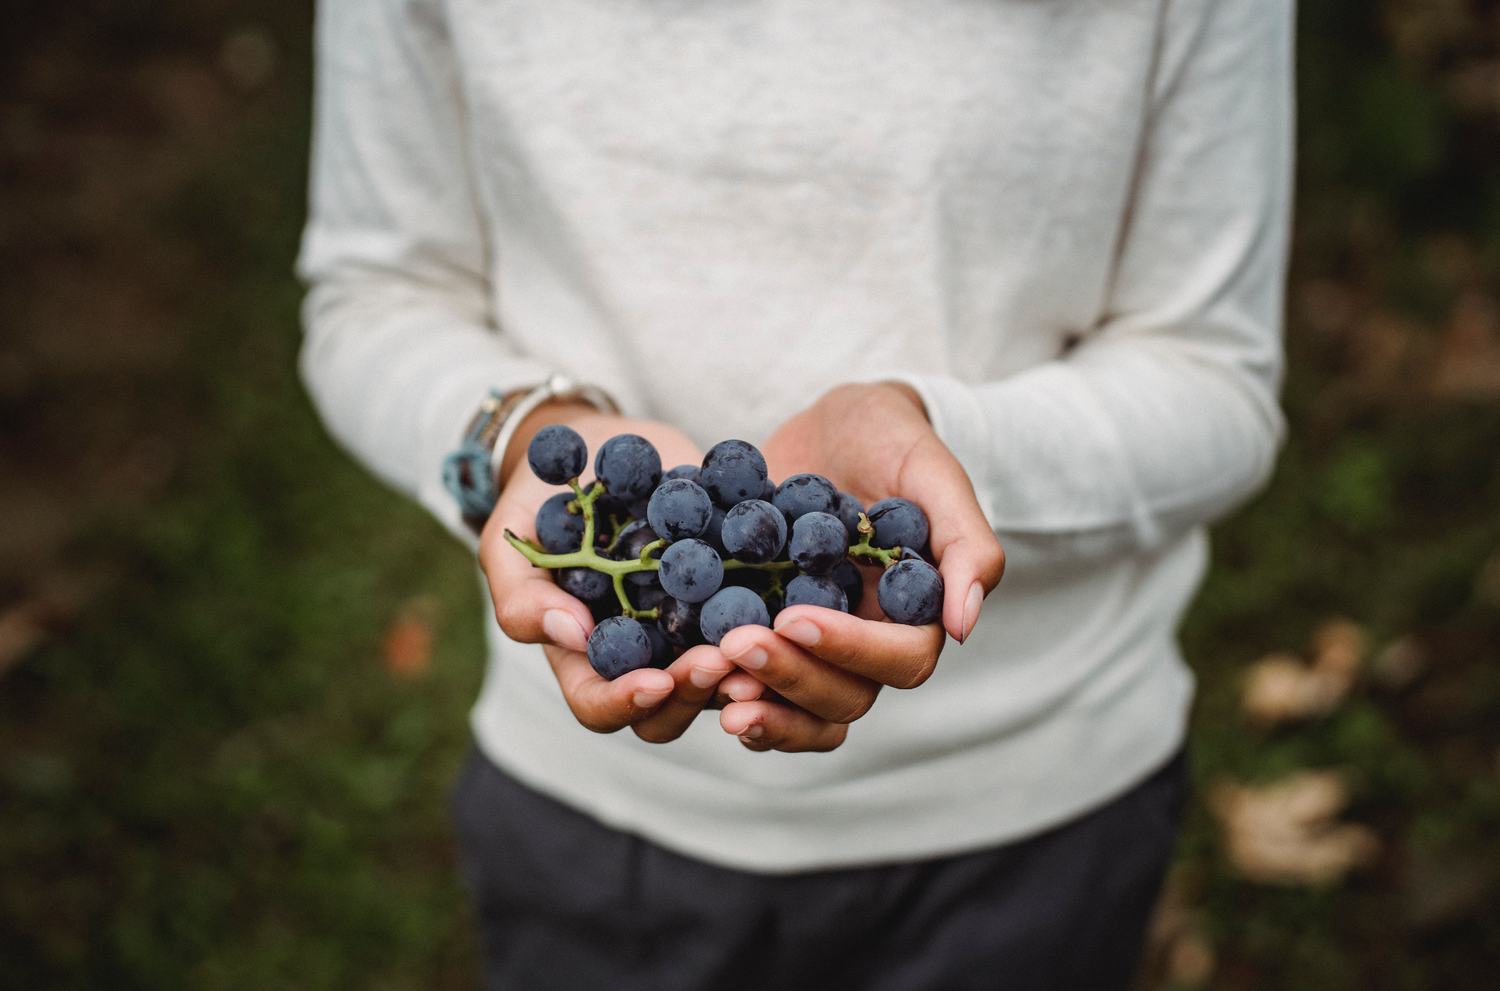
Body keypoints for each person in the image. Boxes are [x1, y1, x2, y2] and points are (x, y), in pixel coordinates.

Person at [297, 0, 1291, 987]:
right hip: (594, 821)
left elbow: (1215, 379)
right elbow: (375, 297)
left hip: (1035, 819)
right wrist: (518, 432)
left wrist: (946, 449)